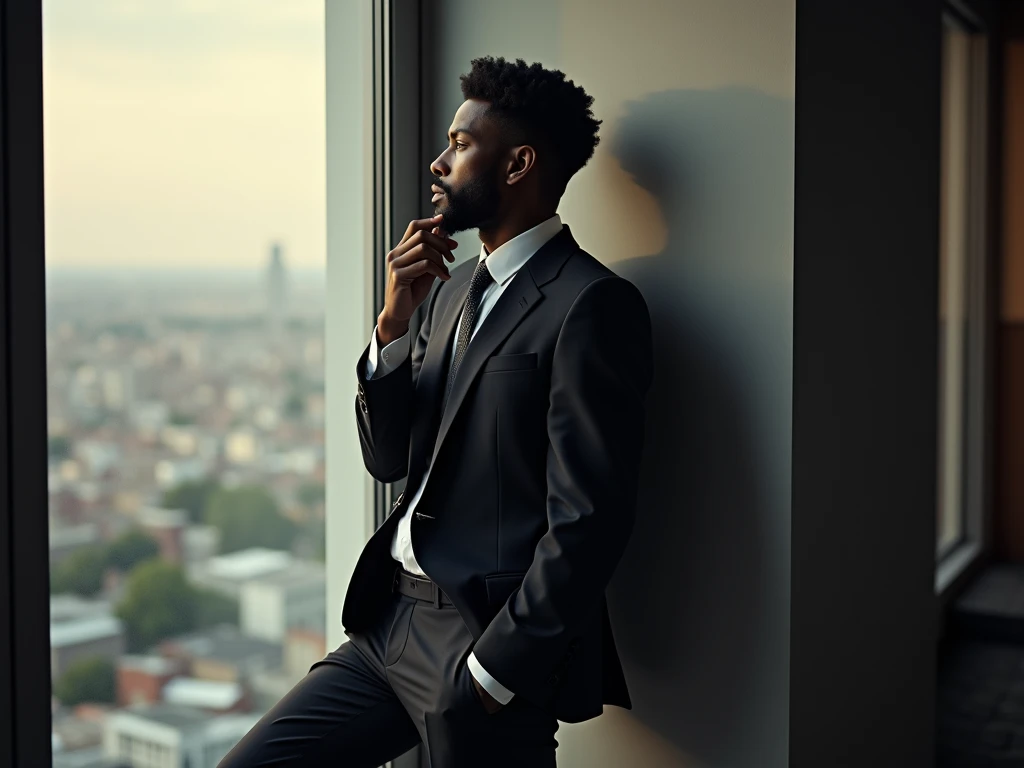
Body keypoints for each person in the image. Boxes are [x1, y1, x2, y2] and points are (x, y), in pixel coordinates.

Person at [221, 55, 654, 768]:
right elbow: (388, 459)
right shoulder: (446, 294)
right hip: (387, 628)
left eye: (459, 145)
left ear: (517, 164)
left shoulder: (591, 304)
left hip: (481, 646)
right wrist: (392, 327)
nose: (437, 161)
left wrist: (490, 676)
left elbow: (590, 521)